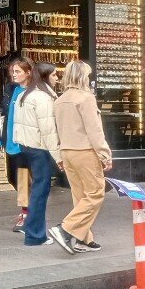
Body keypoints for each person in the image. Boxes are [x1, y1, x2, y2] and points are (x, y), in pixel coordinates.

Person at [49, 60, 112, 255]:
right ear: (83, 76)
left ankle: (83, 238)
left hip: (67, 151)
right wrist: (105, 154)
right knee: (95, 194)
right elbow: (94, 131)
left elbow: (56, 131)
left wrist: (58, 154)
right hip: (85, 151)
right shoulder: (86, 98)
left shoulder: (59, 100)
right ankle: (67, 228)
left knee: (80, 196)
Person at [12, 61, 61, 247]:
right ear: (46, 76)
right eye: (55, 74)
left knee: (37, 191)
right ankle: (35, 235)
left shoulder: (25, 95)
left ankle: (33, 230)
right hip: (39, 148)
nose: (57, 78)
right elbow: (49, 132)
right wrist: (59, 157)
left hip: (26, 146)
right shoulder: (43, 98)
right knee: (40, 191)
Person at [0, 59, 33, 233]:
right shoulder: (11, 89)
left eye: (18, 71)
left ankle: (27, 214)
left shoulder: (35, 92)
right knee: (12, 177)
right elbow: (3, 115)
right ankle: (29, 210)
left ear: (29, 72)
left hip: (26, 143)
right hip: (10, 141)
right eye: (13, 72)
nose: (14, 75)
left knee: (23, 179)